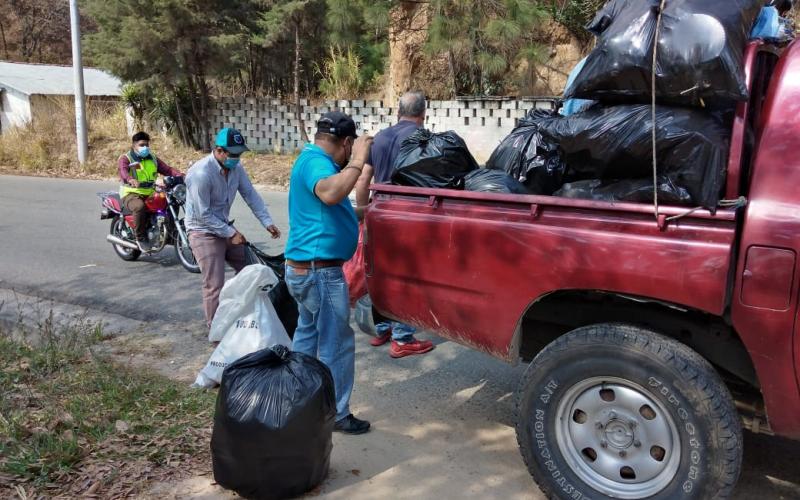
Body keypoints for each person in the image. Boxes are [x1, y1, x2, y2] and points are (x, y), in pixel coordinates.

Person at [285, 111, 373, 435]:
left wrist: (368, 211)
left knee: (307, 337)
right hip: (319, 273)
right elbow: (330, 193)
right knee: (336, 343)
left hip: (307, 271)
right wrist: (359, 161)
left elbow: (336, 207)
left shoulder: (315, 161)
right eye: (353, 149)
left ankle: (299, 400)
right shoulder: (315, 161)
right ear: (347, 143)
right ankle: (337, 413)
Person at [354, 91, 435, 358]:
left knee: (384, 272)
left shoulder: (380, 138)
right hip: (406, 214)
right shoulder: (421, 138)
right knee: (408, 275)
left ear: (397, 111)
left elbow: (364, 178)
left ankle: (384, 328)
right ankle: (402, 338)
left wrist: (364, 212)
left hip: (379, 211)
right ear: (423, 114)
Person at [185, 127, 281, 327]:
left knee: (252, 271)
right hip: (203, 232)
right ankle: (215, 330)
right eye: (233, 154)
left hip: (224, 227)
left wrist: (267, 222)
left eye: (239, 154)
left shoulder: (236, 169)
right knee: (214, 284)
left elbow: (250, 194)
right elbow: (203, 215)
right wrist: (231, 233)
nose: (237, 158)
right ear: (220, 151)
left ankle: (245, 317)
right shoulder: (201, 173)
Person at [118, 131, 183, 252]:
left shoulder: (152, 157)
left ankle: (170, 231)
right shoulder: (126, 158)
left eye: (147, 145)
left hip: (150, 191)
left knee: (171, 200)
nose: (145, 147)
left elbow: (167, 169)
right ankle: (141, 237)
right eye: (142, 145)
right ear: (134, 145)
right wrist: (130, 179)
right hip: (131, 193)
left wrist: (180, 175)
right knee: (139, 207)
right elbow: (123, 171)